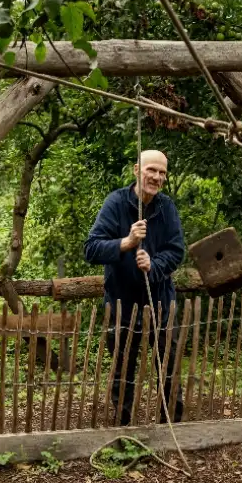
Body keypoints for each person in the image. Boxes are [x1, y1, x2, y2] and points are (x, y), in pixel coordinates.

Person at [84, 150, 186, 425]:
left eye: (162, 172)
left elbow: (177, 251)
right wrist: (126, 243)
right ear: (136, 170)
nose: (156, 177)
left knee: (168, 365)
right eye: (151, 170)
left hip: (160, 301)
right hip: (122, 301)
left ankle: (172, 426)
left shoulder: (167, 207)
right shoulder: (115, 203)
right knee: (122, 367)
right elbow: (91, 249)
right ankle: (122, 427)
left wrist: (155, 264)